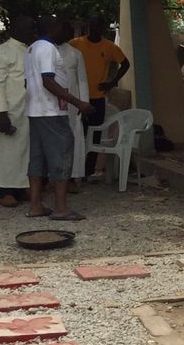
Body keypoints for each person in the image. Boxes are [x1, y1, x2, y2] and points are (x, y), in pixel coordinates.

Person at [25, 16, 92, 220]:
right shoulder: (47, 48)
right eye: (64, 27)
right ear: (54, 27)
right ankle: (61, 208)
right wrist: (77, 102)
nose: (67, 32)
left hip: (36, 110)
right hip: (51, 111)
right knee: (61, 154)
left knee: (37, 158)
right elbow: (48, 81)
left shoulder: (31, 48)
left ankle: (35, 205)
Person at [70, 18, 129, 177]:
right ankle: (74, 169)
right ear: (89, 26)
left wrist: (112, 82)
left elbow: (125, 63)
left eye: (100, 26)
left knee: (94, 133)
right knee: (77, 131)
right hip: (78, 97)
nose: (96, 29)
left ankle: (88, 170)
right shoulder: (75, 44)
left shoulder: (109, 47)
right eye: (94, 25)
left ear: (103, 29)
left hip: (98, 97)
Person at [0, 14, 35, 207]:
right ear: (16, 29)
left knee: (24, 151)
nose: (32, 31)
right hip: (8, 110)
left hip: (26, 108)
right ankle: (5, 190)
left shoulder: (30, 51)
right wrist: (2, 113)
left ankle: (19, 187)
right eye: (28, 27)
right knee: (8, 151)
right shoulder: (1, 52)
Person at [55, 26, 90, 192]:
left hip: (72, 105)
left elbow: (82, 80)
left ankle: (68, 177)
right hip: (49, 103)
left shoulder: (75, 54)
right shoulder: (44, 50)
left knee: (71, 140)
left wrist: (83, 103)